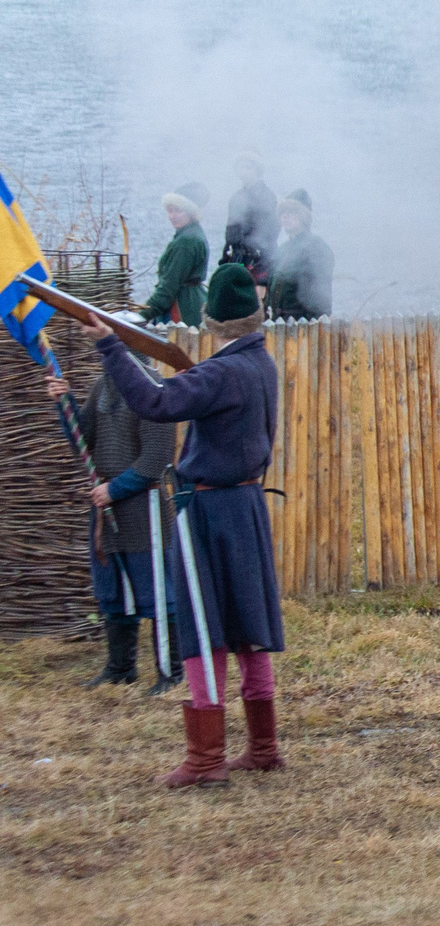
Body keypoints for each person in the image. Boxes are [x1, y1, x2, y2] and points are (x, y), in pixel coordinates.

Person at [86, 263, 284, 783]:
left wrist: (110, 346)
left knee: (204, 627)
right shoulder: (260, 362)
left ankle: (205, 759)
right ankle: (262, 747)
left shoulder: (222, 373)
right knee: (247, 630)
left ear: (209, 317)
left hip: (210, 511)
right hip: (243, 507)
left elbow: (155, 402)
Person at [44, 351, 178, 692]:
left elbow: (156, 458)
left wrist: (115, 489)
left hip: (143, 506)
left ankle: (171, 671)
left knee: (159, 594)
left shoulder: (154, 389)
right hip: (108, 505)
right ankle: (120, 669)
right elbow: (84, 443)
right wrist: (66, 404)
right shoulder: (102, 386)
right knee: (114, 590)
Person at [141, 187, 210, 328]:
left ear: (191, 212)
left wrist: (141, 315)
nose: (172, 216)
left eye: (178, 211)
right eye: (170, 211)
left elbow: (168, 287)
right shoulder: (193, 233)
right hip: (195, 302)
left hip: (182, 308)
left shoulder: (186, 242)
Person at [265, 190, 334, 321]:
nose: (285, 216)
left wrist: (312, 325)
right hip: (279, 323)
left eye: (291, 212)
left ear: (304, 216)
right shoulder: (282, 250)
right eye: (283, 213)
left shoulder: (317, 248)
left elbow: (321, 298)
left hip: (303, 325)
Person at [221, 151, 279, 281]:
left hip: (257, 260)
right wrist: (224, 262)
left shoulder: (266, 196)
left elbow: (269, 236)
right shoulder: (236, 198)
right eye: (240, 167)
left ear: (258, 169)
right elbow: (230, 235)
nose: (243, 171)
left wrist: (263, 279)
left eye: (248, 167)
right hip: (237, 259)